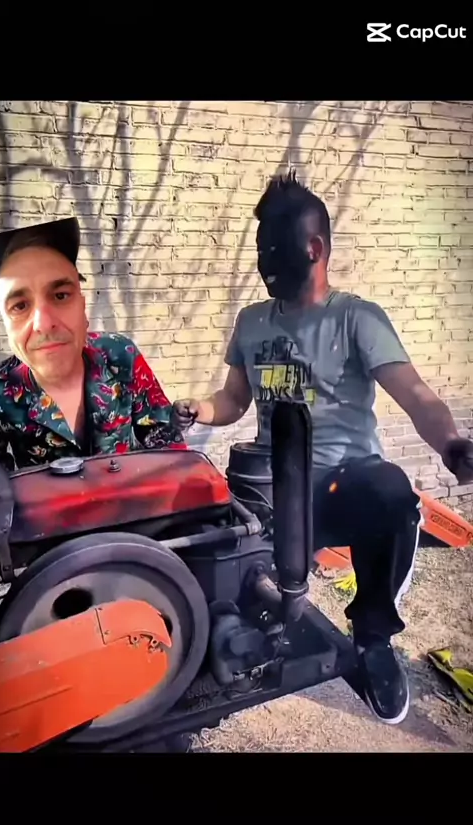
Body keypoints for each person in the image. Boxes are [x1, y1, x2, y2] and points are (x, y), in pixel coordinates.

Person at [172, 170, 473, 726]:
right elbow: (234, 400)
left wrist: (452, 444)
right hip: (273, 487)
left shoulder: (356, 318)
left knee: (392, 494)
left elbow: (416, 395)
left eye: (273, 248)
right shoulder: (252, 323)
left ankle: (374, 637)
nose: (263, 261)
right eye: (260, 249)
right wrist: (198, 409)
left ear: (313, 248)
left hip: (342, 482)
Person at [0, 217, 185, 472]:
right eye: (19, 306)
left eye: (60, 295)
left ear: (82, 307)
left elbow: (169, 450)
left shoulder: (120, 355)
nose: (43, 324)